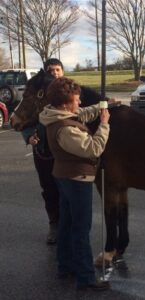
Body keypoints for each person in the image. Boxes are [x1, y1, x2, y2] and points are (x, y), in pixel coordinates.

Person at [39, 77, 110, 291]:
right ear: (64, 104)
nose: (79, 103)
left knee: (67, 225)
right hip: (76, 180)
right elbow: (93, 148)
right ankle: (86, 278)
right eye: (76, 100)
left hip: (63, 177)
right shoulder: (64, 129)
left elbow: (81, 114)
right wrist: (104, 124)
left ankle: (65, 266)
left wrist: (103, 106)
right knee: (80, 229)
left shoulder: (55, 114)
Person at [21, 58, 64, 244]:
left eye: (58, 70)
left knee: (67, 190)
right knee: (49, 189)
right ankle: (54, 224)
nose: (54, 73)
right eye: (51, 70)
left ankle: (68, 224)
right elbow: (25, 117)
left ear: (63, 72)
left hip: (66, 153)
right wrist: (28, 136)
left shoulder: (71, 91)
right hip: (43, 151)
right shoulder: (37, 94)